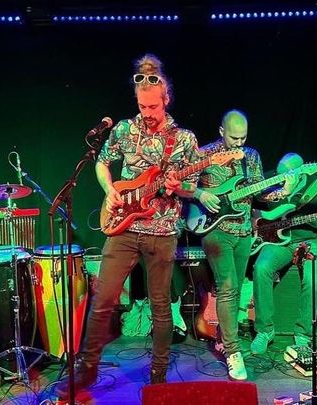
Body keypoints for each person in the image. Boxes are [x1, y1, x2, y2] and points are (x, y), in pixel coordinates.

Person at [56, 54, 200, 399]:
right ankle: (87, 370)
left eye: (153, 106)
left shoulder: (184, 139)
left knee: (161, 306)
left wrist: (177, 186)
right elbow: (102, 163)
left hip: (162, 233)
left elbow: (193, 186)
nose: (147, 113)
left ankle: (158, 376)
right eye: (142, 106)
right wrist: (110, 191)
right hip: (123, 228)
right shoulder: (124, 129)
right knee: (103, 300)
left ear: (166, 99)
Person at [193, 110, 293, 380]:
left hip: (243, 230)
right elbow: (181, 186)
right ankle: (233, 352)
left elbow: (258, 192)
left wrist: (282, 191)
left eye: (243, 137)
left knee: (235, 289)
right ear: (221, 131)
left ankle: (223, 336)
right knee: (227, 288)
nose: (238, 142)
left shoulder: (251, 156)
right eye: (234, 137)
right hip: (215, 230)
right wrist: (201, 194)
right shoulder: (203, 154)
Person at [249, 153, 317, 355]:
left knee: (313, 281)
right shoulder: (272, 179)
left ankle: (303, 333)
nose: (280, 178)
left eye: (286, 175)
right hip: (277, 240)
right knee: (261, 268)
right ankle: (265, 331)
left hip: (311, 239)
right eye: (279, 173)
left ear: (300, 173)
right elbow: (253, 199)